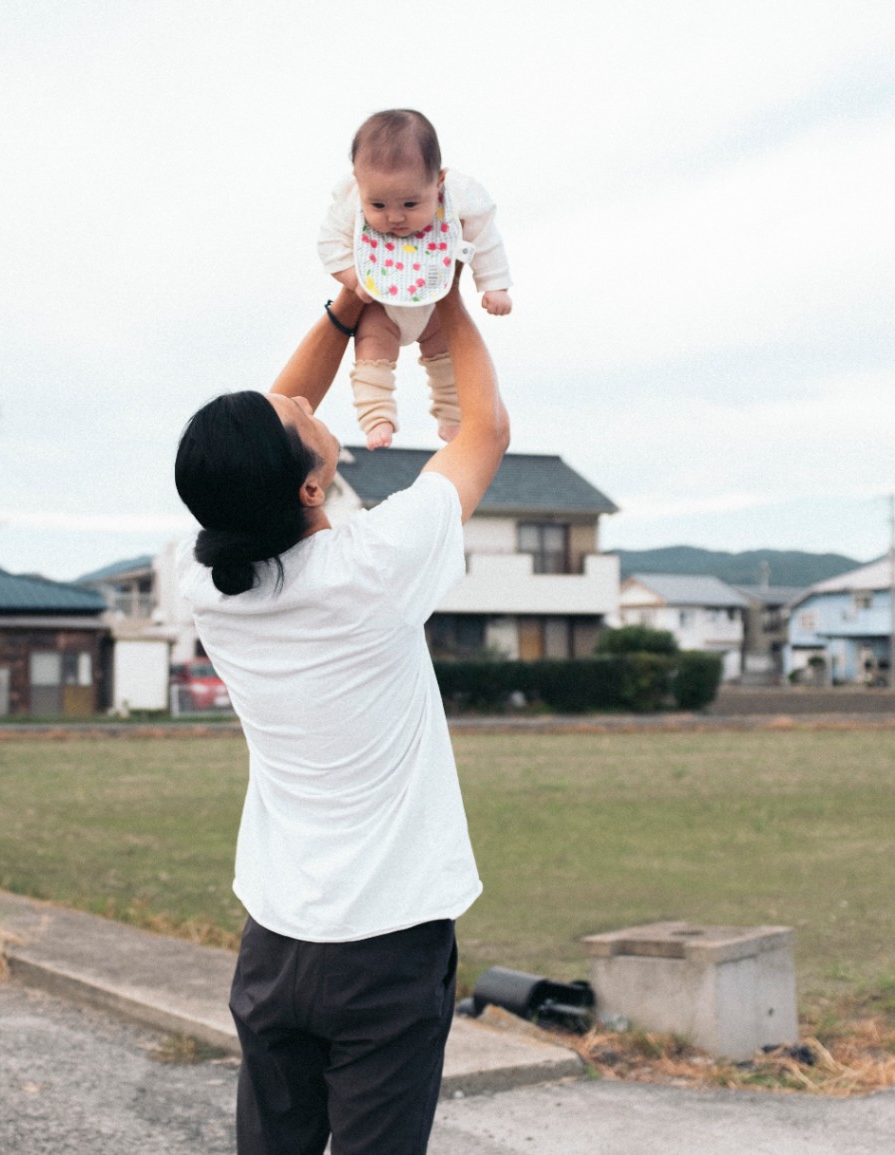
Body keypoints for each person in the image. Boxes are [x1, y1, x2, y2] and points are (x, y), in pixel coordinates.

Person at [173, 270, 509, 1155]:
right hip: (387, 948)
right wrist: (441, 298)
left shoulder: (210, 587)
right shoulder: (376, 566)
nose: (301, 401)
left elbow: (265, 435)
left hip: (277, 942)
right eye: (298, 419)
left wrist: (348, 305)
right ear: (310, 489)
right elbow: (485, 431)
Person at [317, 108, 512, 449]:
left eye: (410, 204)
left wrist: (494, 284)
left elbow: (484, 237)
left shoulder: (459, 196)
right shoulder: (350, 201)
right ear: (359, 184)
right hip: (380, 306)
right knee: (370, 355)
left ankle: (452, 418)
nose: (394, 217)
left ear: (438, 182)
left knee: (447, 356)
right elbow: (329, 246)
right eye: (378, 205)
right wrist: (354, 280)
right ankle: (376, 416)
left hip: (433, 303)